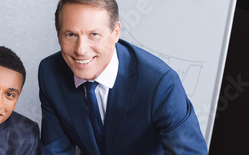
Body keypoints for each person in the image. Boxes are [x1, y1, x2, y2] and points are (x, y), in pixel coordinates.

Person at [38, 0, 208, 154]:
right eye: (71, 35)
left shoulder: (160, 83)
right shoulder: (50, 72)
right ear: (59, 35)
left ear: (115, 32)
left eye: (94, 34)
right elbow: (55, 150)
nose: (81, 50)